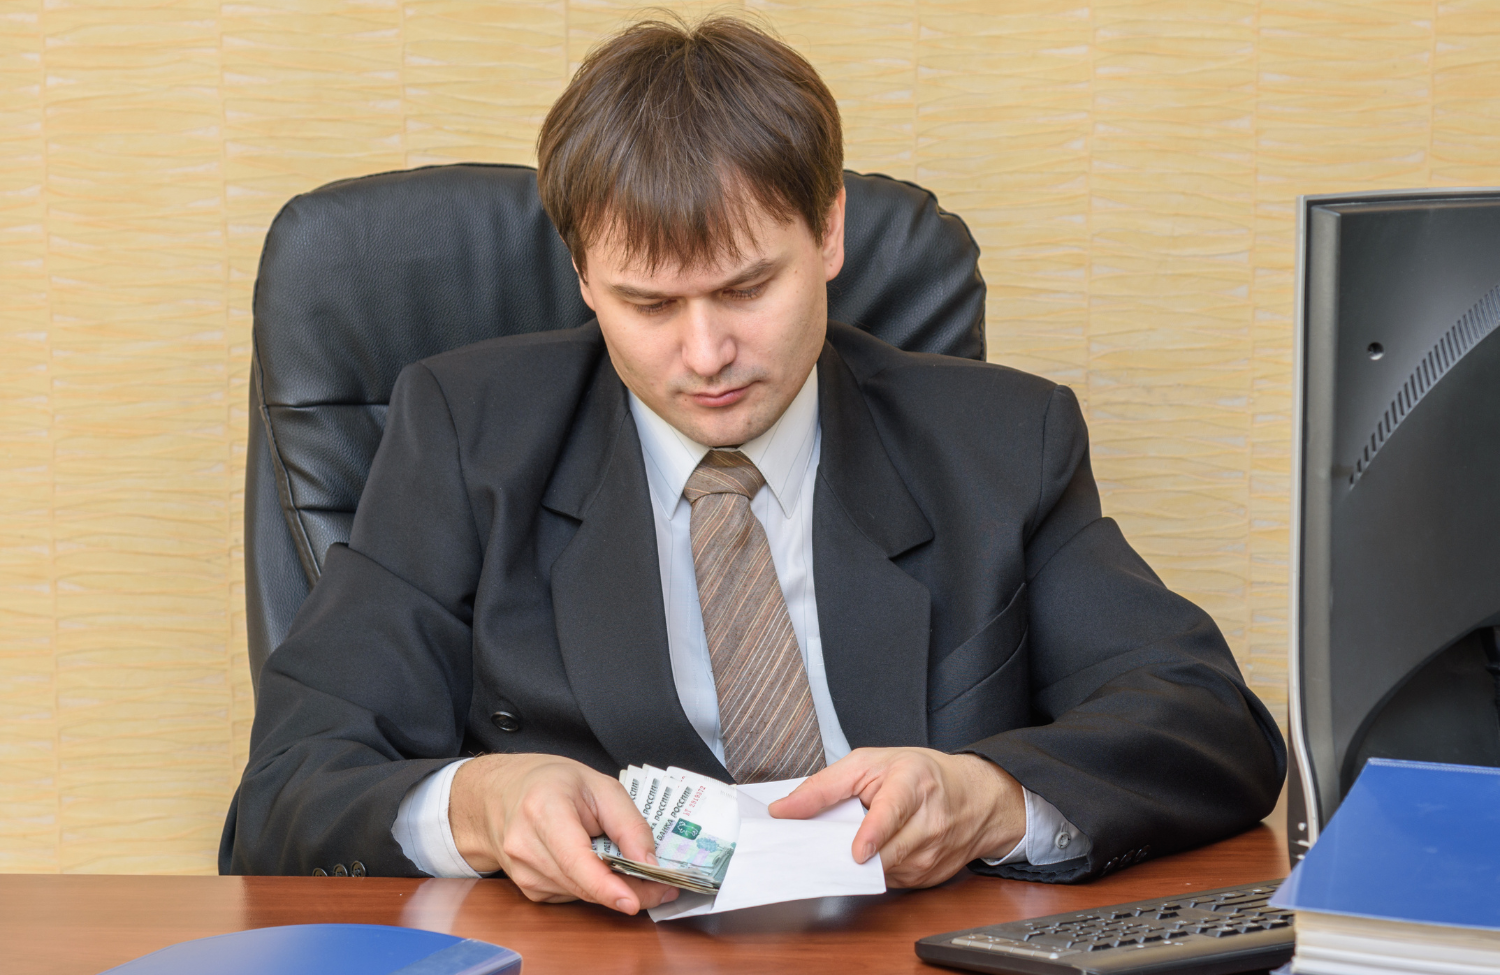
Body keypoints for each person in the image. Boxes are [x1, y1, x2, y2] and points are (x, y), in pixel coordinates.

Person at [221, 14, 1285, 915]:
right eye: (647, 304)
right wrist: (478, 805)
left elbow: (1207, 724)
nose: (706, 353)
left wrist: (991, 795)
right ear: (584, 278)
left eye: (745, 288)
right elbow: (285, 792)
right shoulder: (465, 434)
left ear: (827, 235)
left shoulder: (1002, 442)